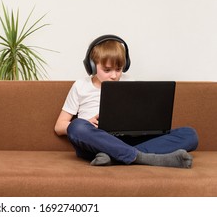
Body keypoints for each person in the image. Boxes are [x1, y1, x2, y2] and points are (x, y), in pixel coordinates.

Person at [54, 34, 198, 168]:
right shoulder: (81, 86)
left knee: (189, 134)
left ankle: (114, 156)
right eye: (107, 70)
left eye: (118, 69)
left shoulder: (129, 81)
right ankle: (143, 157)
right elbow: (59, 126)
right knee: (77, 126)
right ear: (92, 65)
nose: (114, 75)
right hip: (95, 142)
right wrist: (87, 123)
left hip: (127, 138)